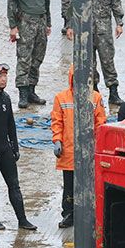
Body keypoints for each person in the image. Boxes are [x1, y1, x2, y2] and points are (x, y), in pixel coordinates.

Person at [0, 61, 36, 231]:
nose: (3, 79)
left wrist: (15, 147)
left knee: (14, 185)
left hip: (5, 148)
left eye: (5, 76)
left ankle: (23, 220)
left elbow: (11, 124)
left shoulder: (6, 97)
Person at [50, 66, 106, 228]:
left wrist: (97, 147)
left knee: (89, 185)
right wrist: (57, 141)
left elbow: (100, 123)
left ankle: (88, 213)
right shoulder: (61, 98)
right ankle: (69, 214)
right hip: (69, 150)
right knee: (69, 187)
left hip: (88, 152)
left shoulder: (95, 98)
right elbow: (57, 122)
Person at [73, 0, 124, 106]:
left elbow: (116, 3)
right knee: (89, 63)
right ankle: (94, 93)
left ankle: (113, 92)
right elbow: (73, 4)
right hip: (86, 30)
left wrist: (119, 23)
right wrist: (70, 25)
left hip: (103, 30)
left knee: (107, 60)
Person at [7, 0, 52, 110]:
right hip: (25, 21)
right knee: (24, 58)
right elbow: (11, 1)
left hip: (40, 20)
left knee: (38, 57)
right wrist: (13, 26)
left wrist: (47, 22)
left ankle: (32, 89)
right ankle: (23, 93)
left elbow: (47, 0)